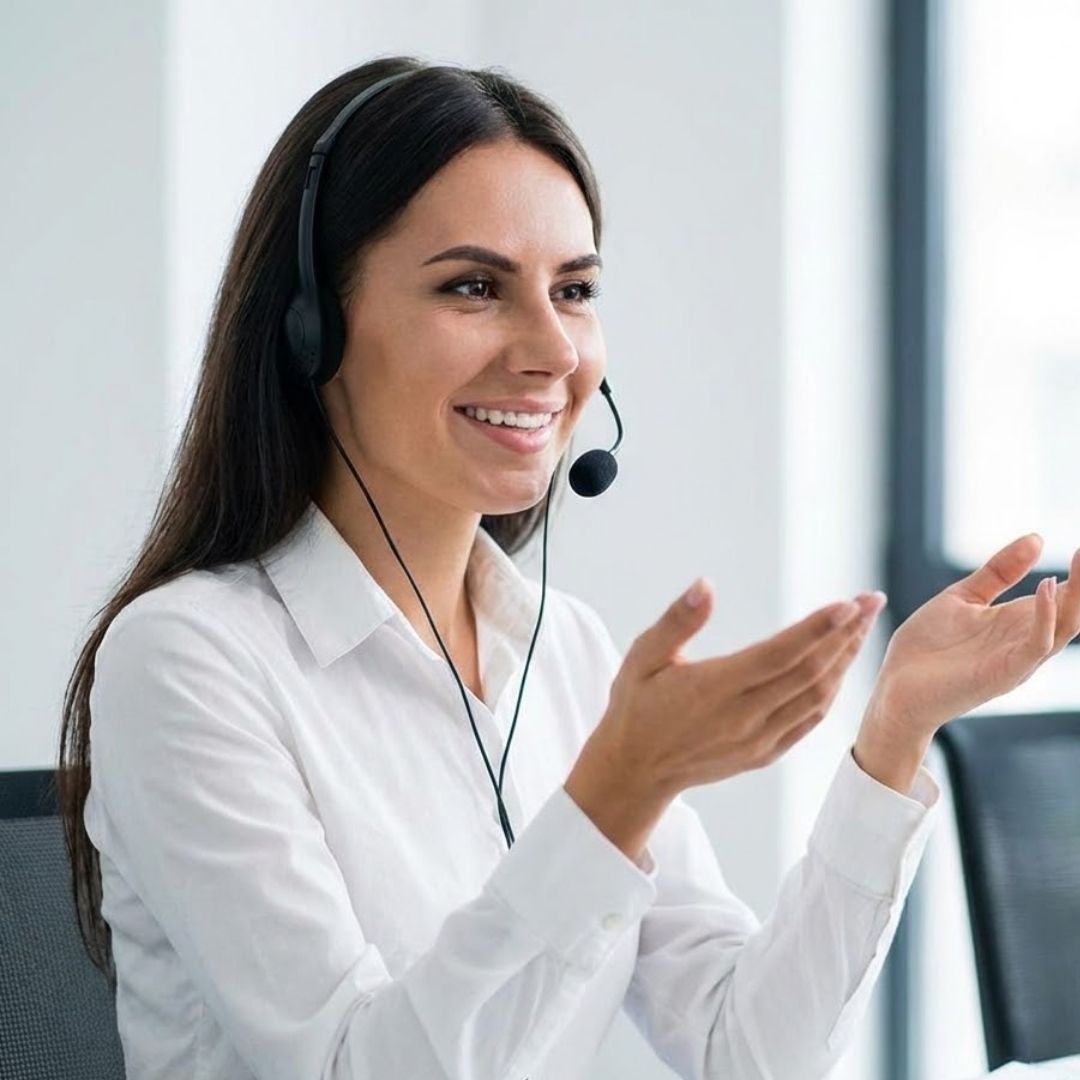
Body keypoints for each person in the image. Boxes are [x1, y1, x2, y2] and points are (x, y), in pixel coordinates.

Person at [57, 56, 1080, 1080]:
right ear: (313, 325)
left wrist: (896, 733)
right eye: (474, 286)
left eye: (575, 289)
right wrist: (618, 793)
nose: (553, 348)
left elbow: (751, 1052)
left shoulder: (563, 651)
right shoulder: (187, 660)